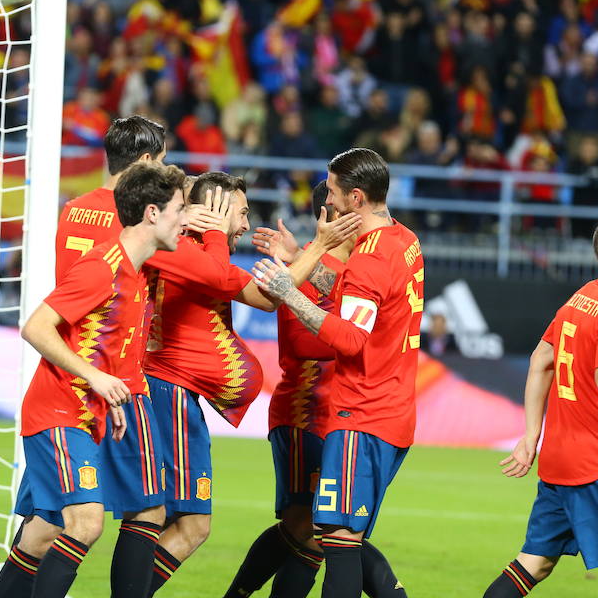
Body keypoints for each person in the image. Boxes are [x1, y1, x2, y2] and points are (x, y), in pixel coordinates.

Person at [144, 172, 360, 597]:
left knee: (159, 520)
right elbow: (269, 300)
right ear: (218, 211)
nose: (245, 224)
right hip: (181, 393)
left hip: (177, 394)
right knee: (186, 525)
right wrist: (316, 247)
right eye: (241, 213)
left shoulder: (192, 252)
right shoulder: (192, 255)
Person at [0, 162, 188, 598]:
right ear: (152, 213)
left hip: (89, 413)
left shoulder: (136, 275)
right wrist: (96, 378)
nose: (185, 219)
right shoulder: (102, 267)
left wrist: (112, 397)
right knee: (87, 522)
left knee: (43, 533)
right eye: (179, 209)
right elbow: (36, 327)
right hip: (58, 410)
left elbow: (102, 347)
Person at [253, 147, 422, 598]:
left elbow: (349, 338)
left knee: (340, 540)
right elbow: (365, 303)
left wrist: (290, 291)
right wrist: (302, 270)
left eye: (331, 191)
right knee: (332, 534)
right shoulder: (403, 240)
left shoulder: (369, 258)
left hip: (361, 414)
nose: (325, 199)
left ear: (357, 198)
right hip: (391, 407)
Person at [481, 219, 598, 597]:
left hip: (560, 459)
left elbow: (541, 359)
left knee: (534, 562)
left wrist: (531, 436)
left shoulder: (580, 297)